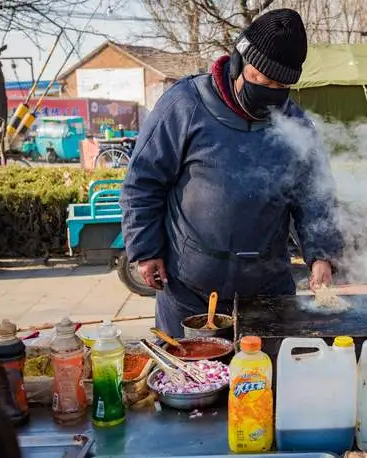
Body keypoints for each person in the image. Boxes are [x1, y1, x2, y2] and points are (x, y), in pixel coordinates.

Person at [120, 8, 344, 337]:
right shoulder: (184, 105)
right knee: (193, 384)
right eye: (260, 80)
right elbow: (142, 183)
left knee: (265, 384)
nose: (269, 91)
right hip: (189, 293)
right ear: (238, 61)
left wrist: (322, 255)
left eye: (280, 85)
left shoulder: (296, 126)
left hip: (268, 294)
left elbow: (316, 198)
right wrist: (146, 249)